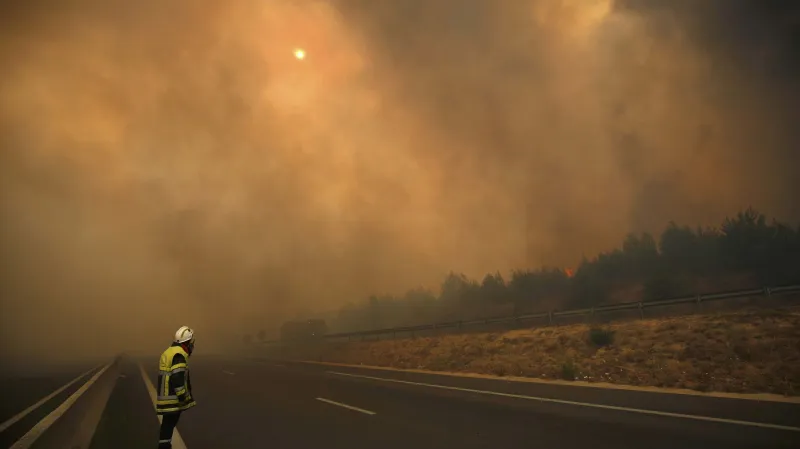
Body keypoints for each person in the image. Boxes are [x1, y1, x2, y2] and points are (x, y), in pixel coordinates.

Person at [156, 326, 197, 449]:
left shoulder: (169, 352)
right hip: (172, 399)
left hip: (166, 397)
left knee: (166, 428)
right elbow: (177, 378)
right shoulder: (178, 355)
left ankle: (164, 446)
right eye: (191, 343)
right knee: (168, 426)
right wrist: (183, 396)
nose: (192, 346)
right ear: (186, 342)